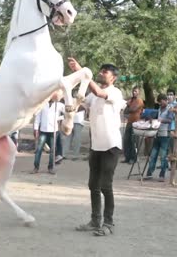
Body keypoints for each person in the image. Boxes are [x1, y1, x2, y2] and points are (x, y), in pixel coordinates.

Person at [68, 57, 125, 237]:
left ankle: (109, 223)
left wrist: (84, 73)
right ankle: (95, 220)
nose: (101, 73)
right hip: (96, 146)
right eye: (100, 71)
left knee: (105, 185)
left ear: (113, 77)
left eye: (105, 72)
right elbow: (80, 103)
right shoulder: (92, 95)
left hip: (110, 146)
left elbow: (100, 92)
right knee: (93, 185)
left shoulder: (115, 93)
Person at [32, 92, 65, 174]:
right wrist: (36, 129)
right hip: (43, 130)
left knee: (52, 151)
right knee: (39, 149)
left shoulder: (59, 105)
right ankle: (36, 167)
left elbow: (68, 114)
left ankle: (50, 168)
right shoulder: (42, 104)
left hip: (54, 130)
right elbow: (38, 117)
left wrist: (58, 118)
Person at [145, 94, 174, 182]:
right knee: (153, 154)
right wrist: (150, 118)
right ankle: (149, 173)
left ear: (165, 100)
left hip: (165, 135)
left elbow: (170, 120)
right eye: (159, 102)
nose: (160, 104)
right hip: (157, 134)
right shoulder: (159, 110)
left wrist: (162, 120)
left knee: (163, 156)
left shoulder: (169, 109)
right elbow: (153, 115)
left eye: (161, 102)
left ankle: (162, 174)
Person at [122, 86, 144, 164]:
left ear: (139, 92)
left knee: (133, 141)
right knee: (126, 140)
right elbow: (125, 111)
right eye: (133, 91)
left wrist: (128, 106)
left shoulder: (139, 100)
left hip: (136, 122)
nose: (134, 92)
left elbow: (133, 109)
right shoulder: (131, 100)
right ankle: (127, 157)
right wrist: (128, 106)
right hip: (129, 122)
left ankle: (133, 158)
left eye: (136, 91)